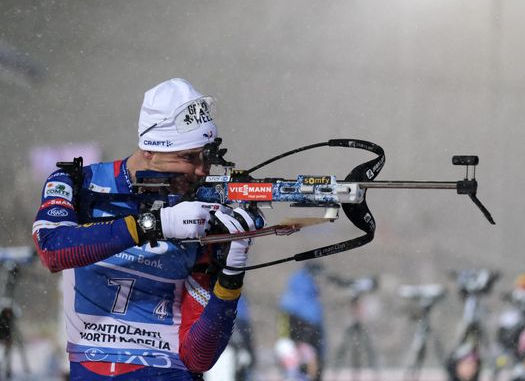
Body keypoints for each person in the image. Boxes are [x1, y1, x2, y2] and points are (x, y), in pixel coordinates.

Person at [32, 78, 258, 380]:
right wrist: (153, 225)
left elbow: (197, 357)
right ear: (150, 150)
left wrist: (231, 274)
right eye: (188, 157)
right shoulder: (76, 182)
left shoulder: (203, 213)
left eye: (205, 156)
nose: (201, 170)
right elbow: (52, 249)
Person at [276, 263, 326, 381]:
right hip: (306, 330)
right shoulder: (309, 300)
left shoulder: (290, 295)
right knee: (309, 358)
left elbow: (283, 334)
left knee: (296, 366)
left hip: (295, 335)